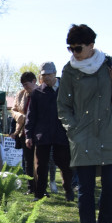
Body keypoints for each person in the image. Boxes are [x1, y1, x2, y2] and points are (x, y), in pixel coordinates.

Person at [56, 24, 112, 223]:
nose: (73, 53)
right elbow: (63, 106)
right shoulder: (69, 70)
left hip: (110, 133)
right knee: (85, 188)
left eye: (78, 48)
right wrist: (73, 130)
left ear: (91, 46)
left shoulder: (109, 62)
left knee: (111, 184)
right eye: (70, 48)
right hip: (83, 134)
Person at [25, 62, 74, 201]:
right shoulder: (37, 92)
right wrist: (28, 135)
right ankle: (39, 193)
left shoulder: (66, 89)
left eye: (48, 74)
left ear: (55, 73)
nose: (46, 77)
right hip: (42, 134)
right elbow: (31, 115)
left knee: (65, 163)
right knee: (40, 165)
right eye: (43, 74)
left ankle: (68, 189)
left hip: (62, 133)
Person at [10, 72, 38, 191]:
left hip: (39, 132)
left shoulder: (41, 93)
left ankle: (41, 187)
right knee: (28, 160)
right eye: (23, 85)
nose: (25, 87)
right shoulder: (20, 94)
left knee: (40, 161)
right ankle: (31, 187)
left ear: (34, 81)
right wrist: (19, 116)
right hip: (24, 132)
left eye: (26, 84)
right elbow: (13, 109)